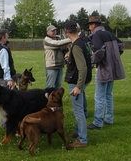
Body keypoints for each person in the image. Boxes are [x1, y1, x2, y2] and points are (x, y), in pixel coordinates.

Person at [86, 16, 125, 130]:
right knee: (108, 95)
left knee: (99, 96)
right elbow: (121, 46)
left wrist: (93, 62)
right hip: (113, 68)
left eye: (89, 25)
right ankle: (109, 118)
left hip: (103, 69)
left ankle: (98, 122)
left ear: (93, 25)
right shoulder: (109, 33)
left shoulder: (97, 35)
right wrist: (113, 57)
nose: (89, 28)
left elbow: (99, 51)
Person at [64, 20, 92, 148]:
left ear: (66, 31)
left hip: (76, 82)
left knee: (78, 111)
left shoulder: (76, 46)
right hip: (84, 80)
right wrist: (69, 59)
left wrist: (78, 87)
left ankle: (82, 140)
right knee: (82, 108)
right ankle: (77, 132)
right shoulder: (82, 42)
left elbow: (83, 68)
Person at [44, 25, 71, 89]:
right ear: (47, 31)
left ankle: (56, 99)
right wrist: (71, 38)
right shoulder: (47, 40)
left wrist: (65, 48)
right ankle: (47, 98)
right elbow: (57, 44)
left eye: (55, 30)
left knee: (58, 86)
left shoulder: (58, 39)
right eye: (52, 31)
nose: (54, 32)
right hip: (51, 66)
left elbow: (62, 49)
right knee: (50, 86)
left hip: (59, 65)